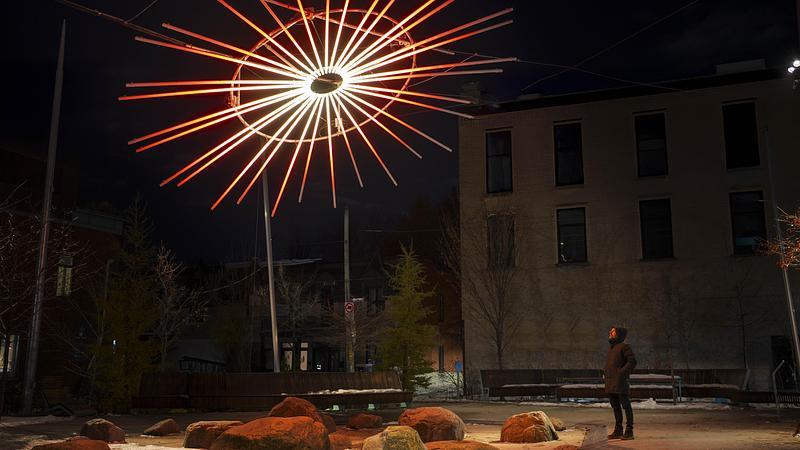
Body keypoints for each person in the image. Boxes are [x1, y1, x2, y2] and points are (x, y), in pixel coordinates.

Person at [604, 326, 636, 440]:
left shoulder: (624, 347)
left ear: (618, 334)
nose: (610, 332)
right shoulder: (612, 348)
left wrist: (621, 372)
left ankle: (629, 431)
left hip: (620, 382)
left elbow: (632, 362)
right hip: (611, 382)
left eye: (613, 331)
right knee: (616, 407)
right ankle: (618, 430)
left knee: (626, 406)